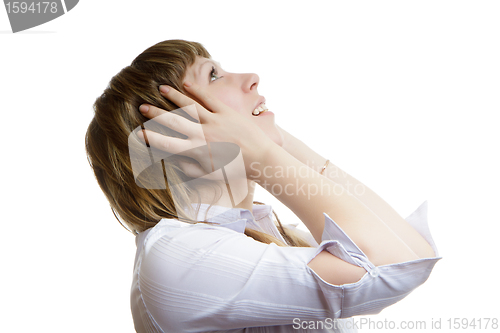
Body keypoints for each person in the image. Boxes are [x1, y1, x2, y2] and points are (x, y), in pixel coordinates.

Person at [85, 39, 440, 333]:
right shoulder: (180, 256)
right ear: (175, 134)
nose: (252, 78)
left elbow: (413, 252)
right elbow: (391, 269)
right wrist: (263, 155)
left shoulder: (260, 235)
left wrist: (267, 141)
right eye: (213, 75)